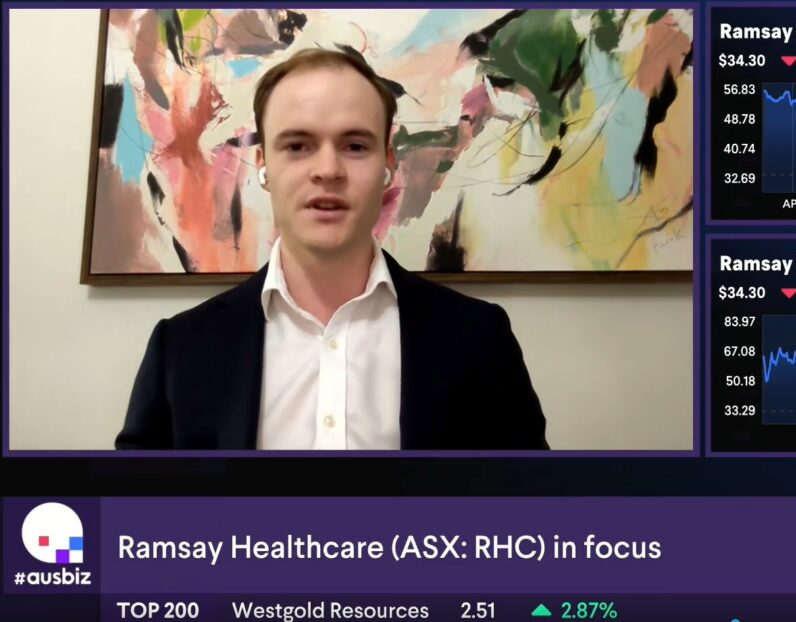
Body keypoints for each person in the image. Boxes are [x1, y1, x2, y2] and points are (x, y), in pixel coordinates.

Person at [116, 49, 548, 450]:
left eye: (355, 146)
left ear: (388, 163)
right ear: (263, 164)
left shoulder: (479, 338)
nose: (327, 170)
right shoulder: (180, 348)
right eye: (297, 146)